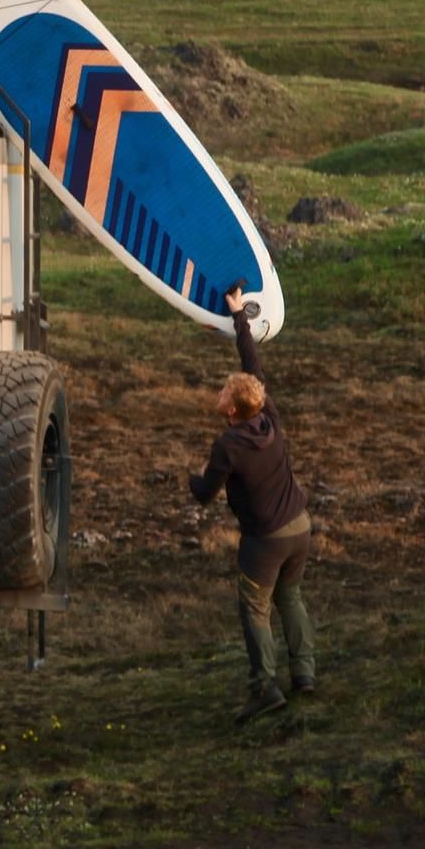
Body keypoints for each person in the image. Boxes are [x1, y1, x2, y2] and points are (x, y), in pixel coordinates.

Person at [188, 285, 315, 724]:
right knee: (291, 595)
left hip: (266, 542)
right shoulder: (268, 417)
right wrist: (239, 315)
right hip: (300, 527)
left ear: (234, 410)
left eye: (225, 393)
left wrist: (190, 479)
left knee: (254, 608)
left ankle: (265, 688)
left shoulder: (229, 445)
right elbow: (252, 364)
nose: (221, 393)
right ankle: (305, 674)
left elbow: (205, 494)